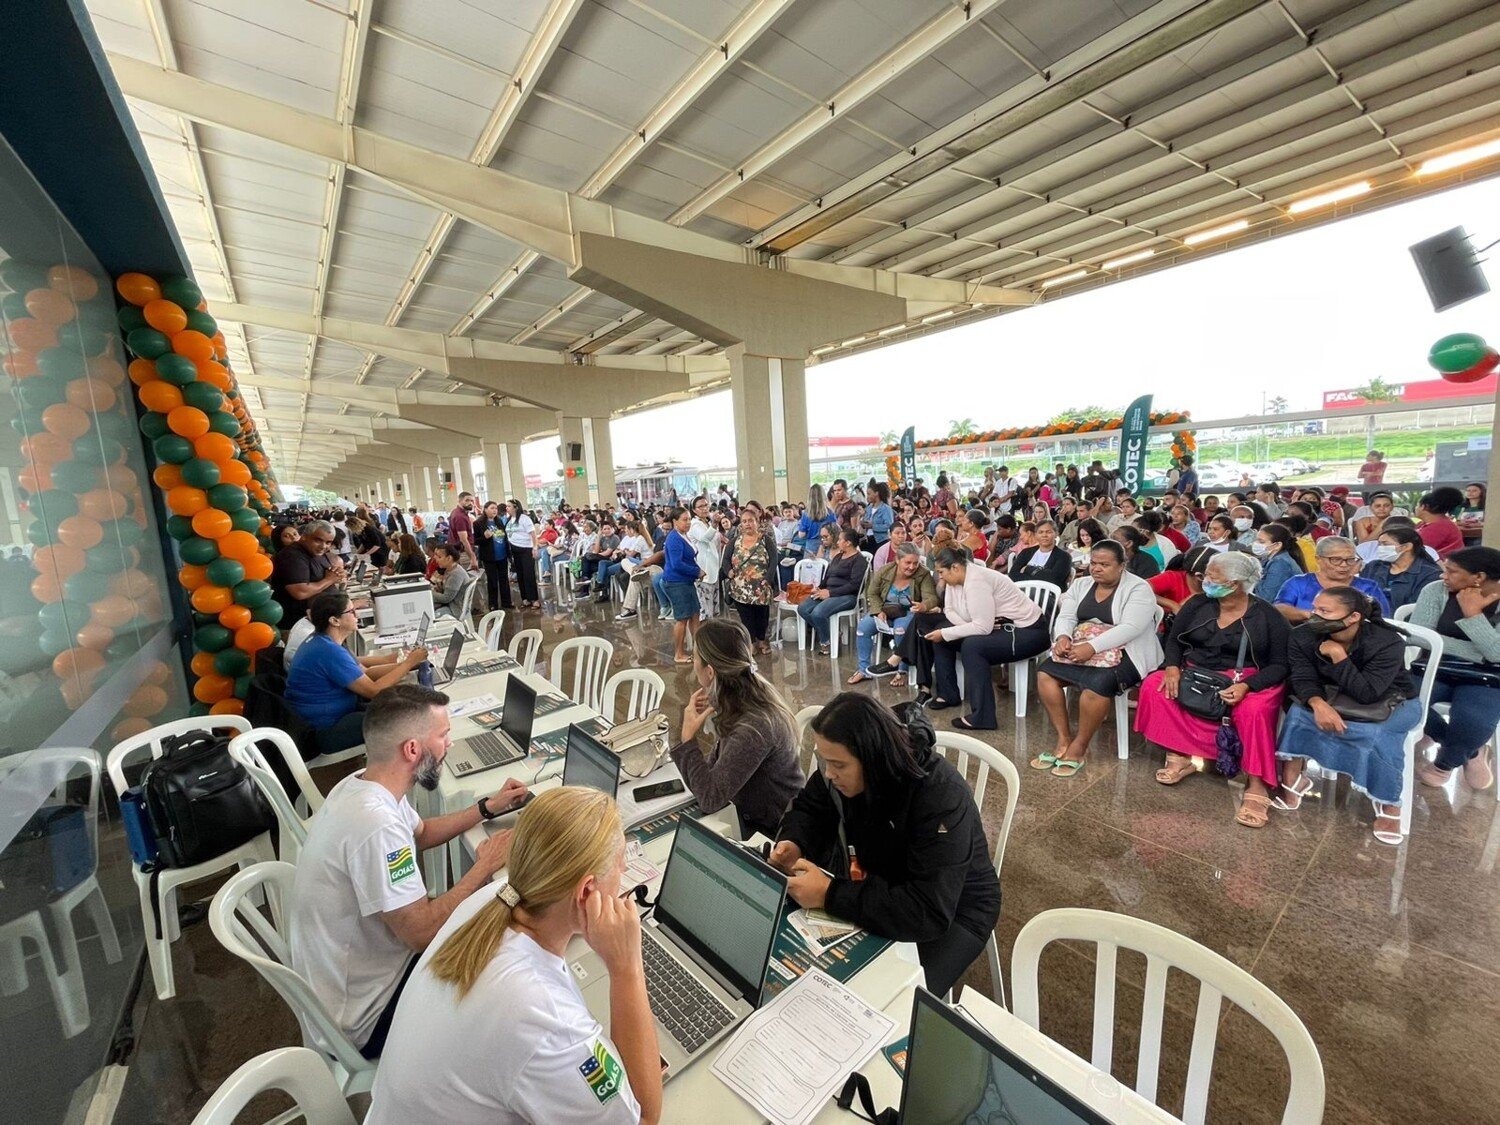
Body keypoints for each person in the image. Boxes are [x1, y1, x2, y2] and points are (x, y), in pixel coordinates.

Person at [366, 787, 660, 1125]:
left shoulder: (496, 897)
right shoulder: (544, 1017)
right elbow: (643, 1118)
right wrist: (626, 968)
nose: (625, 871)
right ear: (586, 893)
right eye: (621, 865)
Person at [292, 684, 527, 1061]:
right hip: (368, 1016)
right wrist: (484, 866)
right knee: (509, 965)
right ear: (413, 750)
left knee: (494, 936)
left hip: (361, 978)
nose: (450, 744)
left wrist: (487, 808)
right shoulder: (376, 826)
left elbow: (421, 833)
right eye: (443, 735)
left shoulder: (364, 785)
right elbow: (422, 934)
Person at [770, 695, 999, 997]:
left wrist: (831, 894)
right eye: (824, 760)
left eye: (838, 765)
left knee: (889, 1001)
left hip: (956, 910)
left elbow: (928, 911)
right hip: (883, 884)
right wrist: (793, 841)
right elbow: (810, 808)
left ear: (873, 758)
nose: (828, 773)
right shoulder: (841, 772)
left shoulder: (940, 795)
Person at [1136, 551, 1291, 828]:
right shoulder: (1198, 604)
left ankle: (1257, 783)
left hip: (1247, 679)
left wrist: (1247, 685)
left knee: (1254, 709)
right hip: (1196, 672)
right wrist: (1172, 667)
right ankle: (1179, 754)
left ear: (1235, 584)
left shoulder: (1268, 617)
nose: (1204, 580)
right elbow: (1175, 641)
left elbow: (1280, 665)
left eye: (1212, 576)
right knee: (1155, 686)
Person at [1272, 588, 1422, 845]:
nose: (1315, 615)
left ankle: (1388, 803)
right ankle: (1294, 780)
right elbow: (1302, 676)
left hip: (1393, 700)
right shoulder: (1302, 635)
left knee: (1377, 734)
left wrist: (1339, 656)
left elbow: (1368, 693)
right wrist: (1318, 703)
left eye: (1325, 611)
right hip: (1332, 694)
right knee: (1298, 714)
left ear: (1353, 617)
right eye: (1315, 608)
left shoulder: (1387, 642)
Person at [1034, 541, 1164, 776]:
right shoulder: (1081, 584)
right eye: (1093, 563)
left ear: (1122, 565)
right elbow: (1067, 616)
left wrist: (1092, 647)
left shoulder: (1139, 588)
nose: (1096, 568)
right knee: (1045, 674)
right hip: (1083, 645)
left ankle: (1080, 746)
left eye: (1105, 564)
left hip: (1127, 652)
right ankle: (1064, 738)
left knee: (1097, 685)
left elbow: (1131, 628)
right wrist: (1063, 636)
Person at [671, 619, 806, 838]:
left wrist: (687, 739)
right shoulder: (739, 702)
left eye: (695, 658)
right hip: (751, 817)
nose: (692, 663)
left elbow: (710, 798)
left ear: (710, 672)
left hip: (774, 834)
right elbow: (712, 775)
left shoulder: (754, 726)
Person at [904, 546, 1048, 730]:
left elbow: (982, 627)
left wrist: (951, 631)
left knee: (972, 646)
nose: (940, 577)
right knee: (943, 633)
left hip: (1029, 631)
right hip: (1000, 626)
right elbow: (949, 610)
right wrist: (952, 631)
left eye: (941, 572)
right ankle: (948, 694)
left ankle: (983, 717)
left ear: (955, 567)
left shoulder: (976, 581)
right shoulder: (956, 580)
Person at [284, 591, 430, 754]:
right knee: (407, 716)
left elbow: (366, 673)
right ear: (334, 621)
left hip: (335, 715)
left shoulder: (323, 641)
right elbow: (373, 690)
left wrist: (406, 664)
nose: (357, 616)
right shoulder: (328, 651)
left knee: (399, 701)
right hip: (325, 730)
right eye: (352, 612)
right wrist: (409, 663)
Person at [1410, 547, 1500, 790]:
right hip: (1434, 667)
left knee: (1473, 720)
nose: (1444, 576)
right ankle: (1471, 752)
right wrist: (1480, 653)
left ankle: (1445, 763)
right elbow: (1418, 636)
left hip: (1487, 677)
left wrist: (1473, 614)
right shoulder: (1435, 590)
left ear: (1478, 577)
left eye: (1452, 571)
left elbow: (1497, 654)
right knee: (1400, 701)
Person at [851, 543, 939, 685]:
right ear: (897, 560)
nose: (912, 567)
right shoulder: (885, 571)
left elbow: (931, 598)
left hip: (908, 612)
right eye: (907, 563)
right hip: (885, 609)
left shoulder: (923, 574)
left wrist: (923, 606)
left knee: (901, 630)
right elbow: (872, 593)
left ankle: (902, 671)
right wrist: (878, 611)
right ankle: (863, 670)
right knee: (862, 629)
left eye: (915, 563)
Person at [1273, 536, 1390, 623]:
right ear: (1318, 559)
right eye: (1336, 560)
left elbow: (1383, 618)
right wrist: (1312, 615)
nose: (1344, 565)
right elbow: (1279, 609)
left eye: (1350, 560)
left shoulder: (1368, 587)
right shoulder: (1298, 583)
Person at [797, 528, 869, 655]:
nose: (837, 542)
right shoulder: (838, 557)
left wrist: (830, 593)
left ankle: (826, 642)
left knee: (818, 613)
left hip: (847, 596)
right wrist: (819, 588)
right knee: (803, 608)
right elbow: (827, 577)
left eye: (840, 540)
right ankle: (832, 633)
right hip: (828, 592)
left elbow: (854, 586)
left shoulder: (859, 560)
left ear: (848, 543)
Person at [720, 507, 778, 653]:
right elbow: (726, 560)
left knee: (762, 616)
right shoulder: (734, 541)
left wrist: (768, 578)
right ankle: (751, 642)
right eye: (744, 521)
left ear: (757, 522)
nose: (747, 524)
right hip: (740, 587)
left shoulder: (766, 540)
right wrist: (729, 571)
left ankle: (762, 639)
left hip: (761, 586)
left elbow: (774, 560)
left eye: (751, 521)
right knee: (746, 617)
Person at [270, 520, 346, 625]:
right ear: (304, 536)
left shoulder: (316, 552)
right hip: (300, 624)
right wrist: (329, 580)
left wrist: (338, 574)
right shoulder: (292, 556)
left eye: (328, 542)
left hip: (322, 619)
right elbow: (300, 592)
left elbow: (324, 576)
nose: (323, 546)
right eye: (318, 540)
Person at [1360, 525, 1441, 612]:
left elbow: (1415, 607)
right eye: (1379, 544)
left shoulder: (1430, 574)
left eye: (1385, 544)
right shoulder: (1373, 567)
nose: (1380, 548)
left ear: (1406, 547)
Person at [662, 506, 703, 664]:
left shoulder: (684, 535)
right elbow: (676, 564)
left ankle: (698, 649)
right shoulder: (674, 538)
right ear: (675, 521)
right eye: (684, 520)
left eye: (689, 519)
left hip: (686, 581)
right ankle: (678, 653)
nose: (688, 523)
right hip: (676, 582)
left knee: (695, 614)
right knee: (682, 618)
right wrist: (696, 571)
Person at [1008, 518, 1071, 591]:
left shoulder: (1064, 556)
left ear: (1056, 534)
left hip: (1049, 594)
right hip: (1023, 593)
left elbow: (1054, 579)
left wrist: (1028, 569)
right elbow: (1012, 575)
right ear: (1036, 535)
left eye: (1048, 532)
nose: (1044, 535)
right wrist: (1041, 577)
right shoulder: (1026, 552)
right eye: (1040, 532)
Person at [473, 501, 513, 612]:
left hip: (502, 555)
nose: (495, 510)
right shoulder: (478, 523)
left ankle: (507, 602)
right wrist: (485, 537)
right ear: (485, 509)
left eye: (496, 508)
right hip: (489, 557)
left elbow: (504, 538)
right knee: (492, 581)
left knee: (504, 580)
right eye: (492, 508)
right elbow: (475, 541)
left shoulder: (499, 521)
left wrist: (509, 554)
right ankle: (493, 604)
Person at [1252, 523, 1304, 603]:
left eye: (1261, 542)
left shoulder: (1280, 564)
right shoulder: (1270, 558)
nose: (1255, 544)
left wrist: (1250, 577)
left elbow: (1265, 597)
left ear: (1277, 545)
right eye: (1256, 540)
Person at [505, 499, 540, 608]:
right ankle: (525, 598)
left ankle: (534, 599)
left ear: (515, 507)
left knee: (528, 574)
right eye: (506, 506)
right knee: (520, 574)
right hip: (514, 550)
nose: (507, 508)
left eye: (509, 506)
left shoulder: (524, 519)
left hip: (526, 549)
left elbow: (533, 534)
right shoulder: (509, 520)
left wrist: (535, 547)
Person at [1415, 486, 1466, 560]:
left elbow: (1413, 550)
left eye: (1417, 505)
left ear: (1424, 506)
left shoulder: (1438, 527)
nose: (1416, 508)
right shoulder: (1440, 523)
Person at [429, 544, 473, 617]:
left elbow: (446, 598)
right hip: (451, 604)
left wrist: (430, 593)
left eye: (439, 557)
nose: (436, 559)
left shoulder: (456, 574)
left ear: (449, 558)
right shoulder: (450, 569)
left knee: (431, 615)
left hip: (455, 609)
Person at [448, 491, 478, 569]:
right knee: (469, 575)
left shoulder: (457, 512)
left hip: (459, 551)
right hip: (464, 553)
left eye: (472, 501)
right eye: (467, 500)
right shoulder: (460, 516)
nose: (470, 503)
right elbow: (464, 540)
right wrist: (472, 557)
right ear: (459, 501)